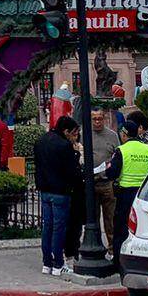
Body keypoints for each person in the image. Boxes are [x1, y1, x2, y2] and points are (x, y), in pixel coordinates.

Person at [34, 115, 80, 276]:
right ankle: (58, 263)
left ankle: (47, 262)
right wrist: (76, 154)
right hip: (60, 191)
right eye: (73, 132)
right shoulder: (64, 146)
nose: (74, 136)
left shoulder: (41, 141)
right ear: (65, 131)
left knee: (47, 227)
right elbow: (72, 171)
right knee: (58, 228)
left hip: (45, 189)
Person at [109, 113, 148, 262]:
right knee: (141, 228)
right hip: (144, 194)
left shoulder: (122, 150)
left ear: (124, 134)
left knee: (121, 229)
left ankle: (118, 260)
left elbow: (112, 173)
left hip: (125, 194)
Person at [87, 107, 121, 256]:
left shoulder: (112, 136)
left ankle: (112, 249)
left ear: (104, 119)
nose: (97, 122)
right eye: (94, 119)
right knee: (92, 218)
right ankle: (94, 246)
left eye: (99, 118)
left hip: (107, 182)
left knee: (110, 218)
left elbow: (118, 156)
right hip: (90, 183)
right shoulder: (85, 134)